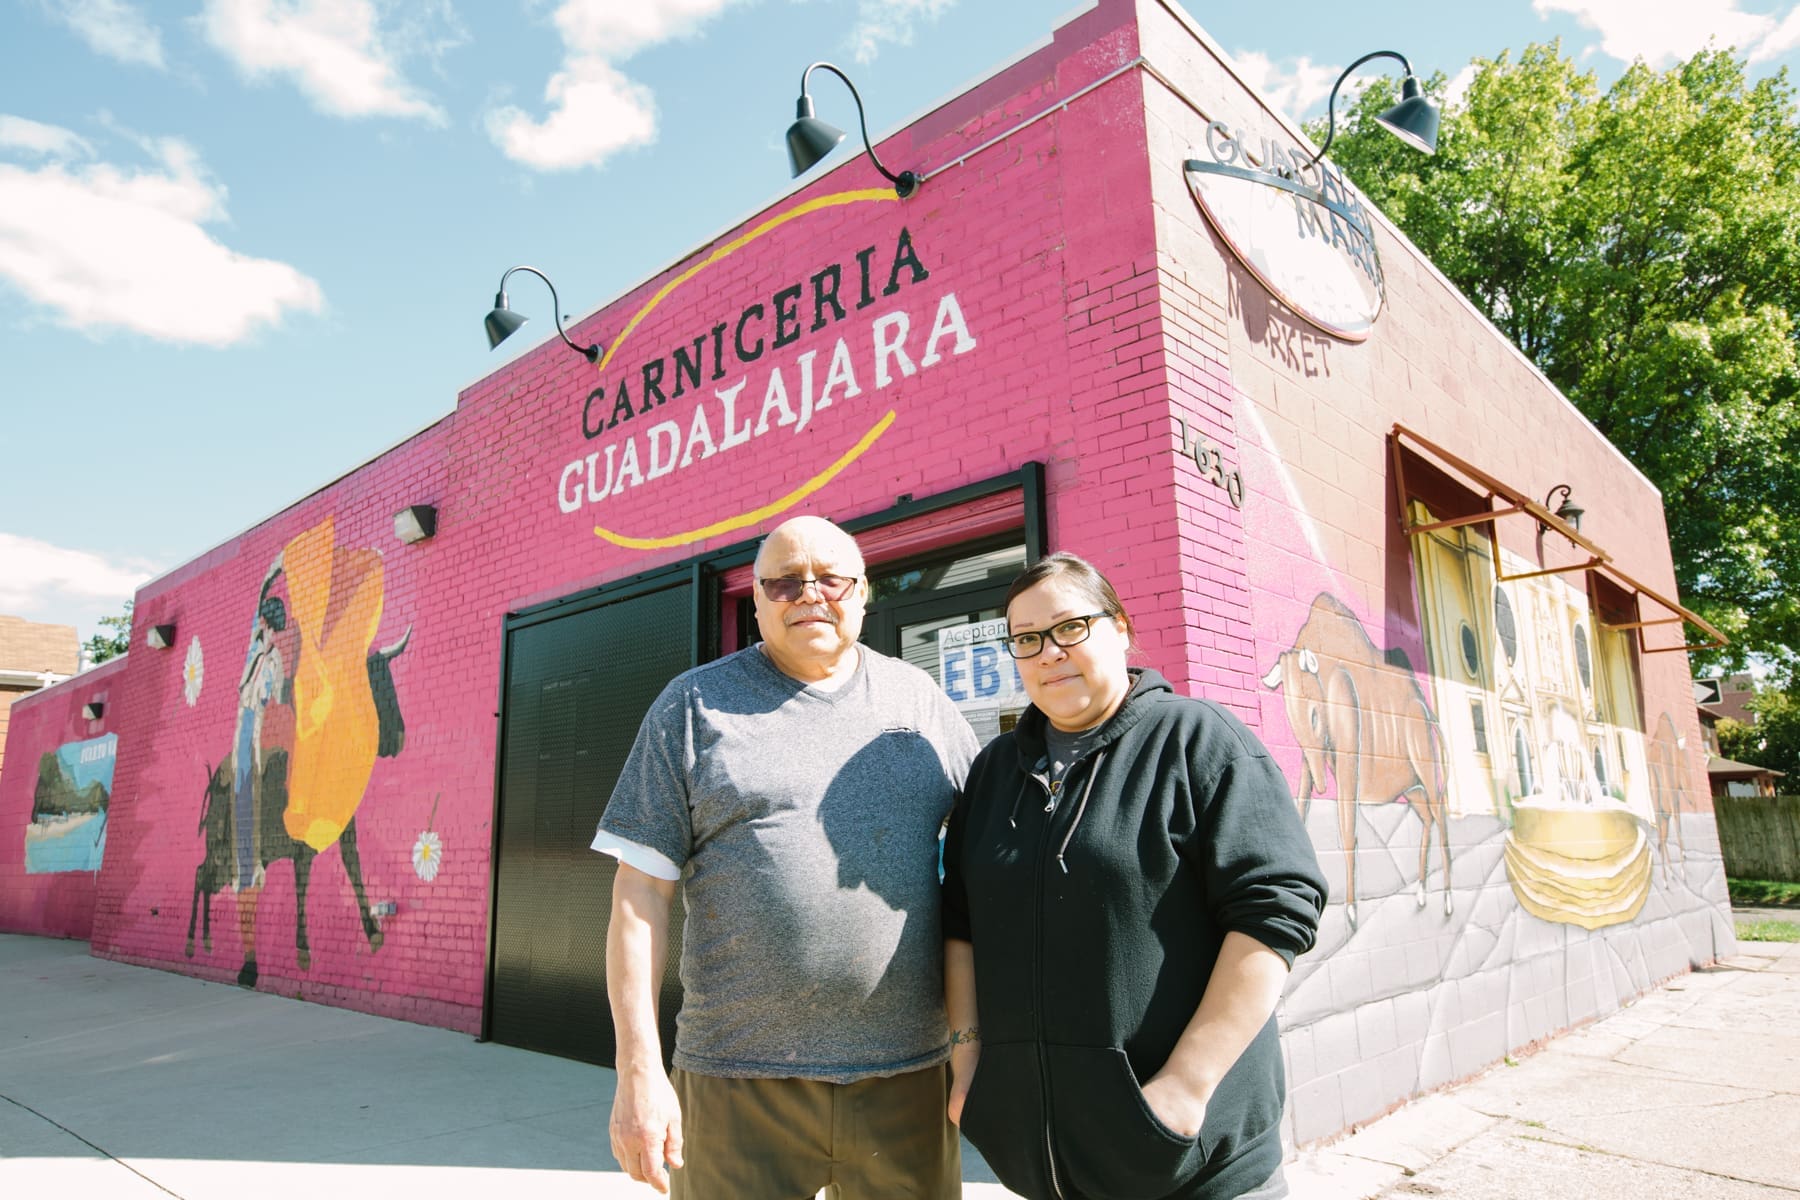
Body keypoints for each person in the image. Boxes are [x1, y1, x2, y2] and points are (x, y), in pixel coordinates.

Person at [594, 514, 980, 1198]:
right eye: (784, 582)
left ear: (863, 592)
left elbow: (989, 873)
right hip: (736, 1080)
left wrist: (974, 1043)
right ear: (758, 598)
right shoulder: (692, 707)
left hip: (907, 1079)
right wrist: (638, 1072)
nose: (809, 594)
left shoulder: (921, 703)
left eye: (831, 578)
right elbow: (638, 899)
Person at [942, 552, 1327, 1200]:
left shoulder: (1199, 743)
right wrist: (968, 1065)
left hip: (1191, 1164)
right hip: (1043, 1167)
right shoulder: (994, 772)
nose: (1049, 652)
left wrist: (1186, 1086)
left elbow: (1274, 916)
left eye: (1070, 627)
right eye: (1027, 639)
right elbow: (961, 926)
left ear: (1120, 627)